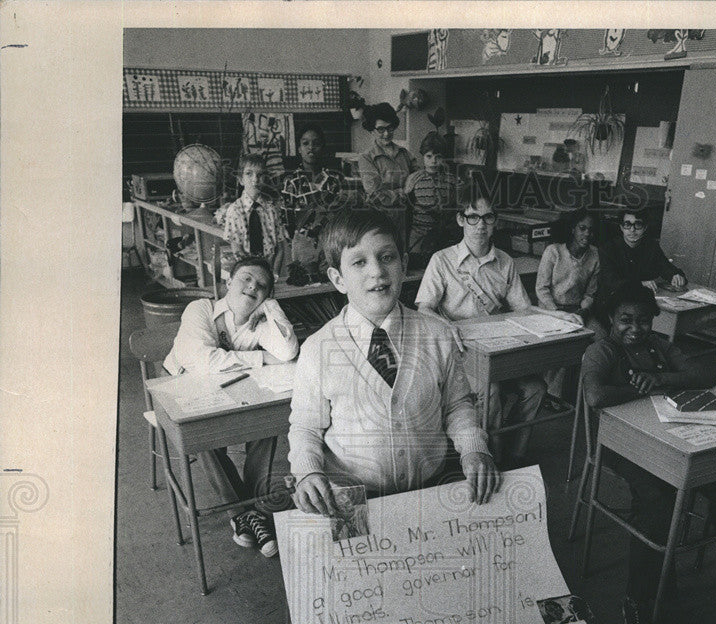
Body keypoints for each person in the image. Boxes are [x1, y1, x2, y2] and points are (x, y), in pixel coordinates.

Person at [288, 208, 500, 516]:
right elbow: (306, 426)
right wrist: (308, 472)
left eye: (387, 257)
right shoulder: (318, 349)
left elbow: (457, 406)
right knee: (368, 564)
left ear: (403, 265)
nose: (377, 271)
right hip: (354, 499)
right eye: (359, 262)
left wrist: (473, 448)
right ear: (338, 279)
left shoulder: (436, 334)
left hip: (431, 488)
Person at [581, 280, 716, 624]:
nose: (635, 329)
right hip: (620, 447)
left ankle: (689, 571)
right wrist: (642, 389)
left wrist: (658, 379)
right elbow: (595, 395)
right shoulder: (602, 351)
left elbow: (704, 375)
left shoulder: (658, 346)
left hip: (668, 439)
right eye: (626, 320)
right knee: (658, 498)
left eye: (643, 321)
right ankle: (638, 597)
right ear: (611, 318)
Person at [164, 256, 299, 556]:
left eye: (262, 286)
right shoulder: (201, 309)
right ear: (228, 282)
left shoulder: (261, 321)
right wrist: (261, 358)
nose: (253, 286)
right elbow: (201, 361)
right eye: (246, 278)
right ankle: (244, 513)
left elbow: (288, 351)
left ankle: (251, 512)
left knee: (267, 421)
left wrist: (271, 307)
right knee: (203, 432)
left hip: (233, 390)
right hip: (183, 391)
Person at [415, 185, 543, 467]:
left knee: (536, 388)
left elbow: (523, 309)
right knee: (491, 391)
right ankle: (491, 457)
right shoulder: (442, 260)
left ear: (495, 221)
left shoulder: (505, 262)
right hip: (462, 354)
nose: (481, 225)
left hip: (499, 350)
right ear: (461, 219)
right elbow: (423, 309)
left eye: (488, 218)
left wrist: (556, 317)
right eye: (473, 217)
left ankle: (517, 455)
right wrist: (446, 325)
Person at [535, 208, 601, 405]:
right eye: (582, 228)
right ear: (572, 229)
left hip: (579, 311)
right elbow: (541, 289)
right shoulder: (553, 251)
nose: (587, 234)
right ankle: (552, 395)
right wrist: (557, 313)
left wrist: (582, 310)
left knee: (601, 339)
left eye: (591, 230)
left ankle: (587, 393)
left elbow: (591, 292)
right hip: (550, 310)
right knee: (563, 344)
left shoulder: (595, 255)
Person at [280, 125, 348, 283]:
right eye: (305, 143)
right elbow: (287, 218)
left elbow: (340, 215)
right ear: (299, 148)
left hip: (330, 243)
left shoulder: (333, 180)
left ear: (322, 148)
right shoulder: (292, 181)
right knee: (307, 285)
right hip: (303, 244)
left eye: (316, 143)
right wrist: (300, 241)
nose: (311, 148)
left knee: (332, 284)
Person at [598, 207, 687, 317]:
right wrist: (640, 284)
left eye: (638, 225)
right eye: (627, 224)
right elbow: (611, 282)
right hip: (612, 306)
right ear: (621, 227)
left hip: (641, 304)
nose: (632, 230)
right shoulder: (609, 249)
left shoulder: (651, 246)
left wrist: (675, 275)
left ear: (645, 228)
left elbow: (665, 266)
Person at [357, 103, 415, 247]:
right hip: (380, 220)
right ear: (372, 130)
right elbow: (374, 194)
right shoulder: (366, 158)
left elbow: (417, 179)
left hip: (407, 219)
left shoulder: (405, 153)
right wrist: (404, 192)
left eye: (390, 128)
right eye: (381, 129)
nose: (386, 134)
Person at [403, 131, 457, 270]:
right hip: (418, 236)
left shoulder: (451, 180)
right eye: (429, 156)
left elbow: (454, 210)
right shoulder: (414, 179)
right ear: (423, 156)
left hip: (442, 238)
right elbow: (407, 209)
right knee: (417, 272)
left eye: (438, 157)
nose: (433, 161)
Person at [223, 154, 286, 270]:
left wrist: (275, 274)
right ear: (241, 180)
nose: (255, 179)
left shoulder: (271, 209)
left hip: (270, 270)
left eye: (260, 175)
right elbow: (237, 250)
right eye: (249, 174)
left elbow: (280, 249)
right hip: (246, 271)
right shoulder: (235, 211)